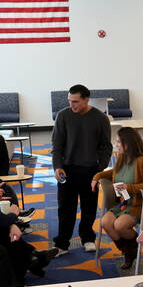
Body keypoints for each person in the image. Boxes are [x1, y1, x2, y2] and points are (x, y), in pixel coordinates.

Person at [51, 84, 113, 255]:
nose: (72, 105)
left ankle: (87, 238)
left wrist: (99, 169)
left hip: (90, 170)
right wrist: (57, 166)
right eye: (70, 101)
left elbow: (106, 147)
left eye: (76, 101)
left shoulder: (100, 118)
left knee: (89, 207)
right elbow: (56, 145)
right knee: (65, 208)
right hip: (67, 170)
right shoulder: (63, 116)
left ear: (86, 99)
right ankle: (62, 243)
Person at [92, 126, 143, 270]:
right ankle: (130, 250)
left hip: (139, 205)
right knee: (105, 222)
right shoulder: (122, 158)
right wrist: (97, 177)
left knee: (119, 226)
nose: (116, 145)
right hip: (124, 203)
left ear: (128, 144)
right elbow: (113, 174)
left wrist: (130, 187)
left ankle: (130, 250)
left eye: (118, 142)